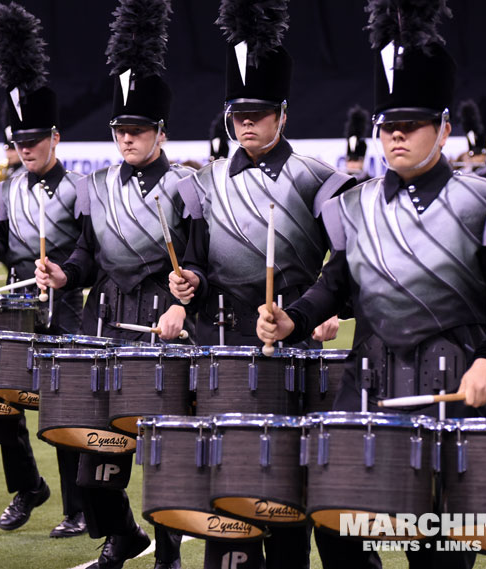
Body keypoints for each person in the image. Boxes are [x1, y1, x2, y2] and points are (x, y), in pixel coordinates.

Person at [256, 2, 486, 567]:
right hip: (363, 391)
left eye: (412, 124)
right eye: (389, 126)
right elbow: (336, 285)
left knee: (435, 552)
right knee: (338, 533)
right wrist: (295, 318)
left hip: (448, 392)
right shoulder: (355, 205)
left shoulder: (484, 204)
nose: (397, 137)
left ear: (445, 129)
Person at [168, 1, 347, 567]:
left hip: (293, 344)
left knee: (287, 484)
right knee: (227, 477)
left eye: (260, 112)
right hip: (223, 347)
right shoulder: (206, 183)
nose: (247, 122)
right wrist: (186, 281)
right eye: (238, 112)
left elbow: (345, 262)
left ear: (283, 115)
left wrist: (320, 310)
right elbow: (196, 259)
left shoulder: (320, 180)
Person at [36, 2, 187, 566]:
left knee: (163, 451)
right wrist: (64, 273)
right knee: (95, 454)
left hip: (160, 323)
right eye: (120, 129)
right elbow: (87, 256)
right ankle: (122, 533)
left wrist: (181, 300)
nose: (127, 138)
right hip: (104, 323)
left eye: (138, 129)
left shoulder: (184, 187)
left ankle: (168, 549)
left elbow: (197, 261)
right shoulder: (95, 188)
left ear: (160, 132)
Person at [0, 2, 87, 538]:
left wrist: (64, 272)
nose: (25, 150)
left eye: (33, 141)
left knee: (60, 413)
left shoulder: (81, 187)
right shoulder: (8, 187)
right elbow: (2, 239)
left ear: (55, 137)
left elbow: (91, 249)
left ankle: (76, 507)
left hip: (64, 306)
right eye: (18, 142)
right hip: (15, 307)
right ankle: (27, 487)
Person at [343, 105, 371, 184]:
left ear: (362, 161)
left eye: (355, 160)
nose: (352, 165)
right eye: (350, 160)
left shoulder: (370, 182)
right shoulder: (340, 183)